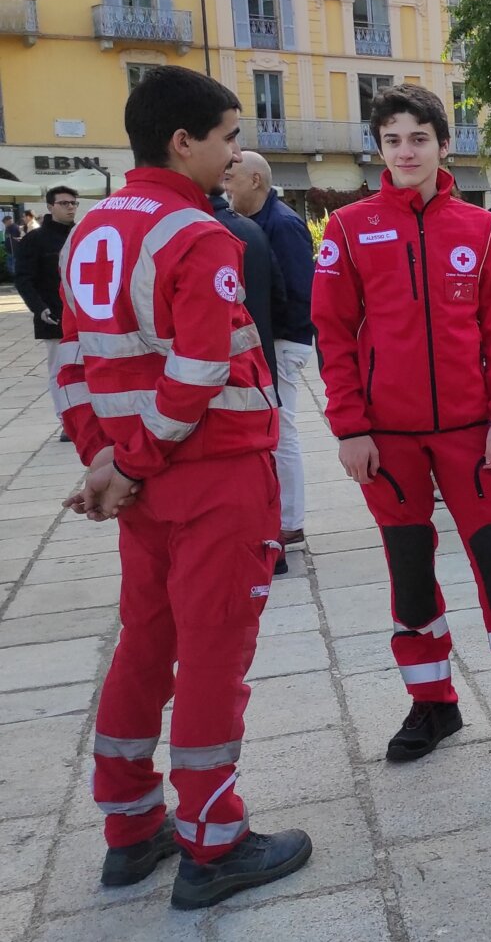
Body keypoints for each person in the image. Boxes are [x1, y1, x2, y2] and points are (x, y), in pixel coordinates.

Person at [54, 66, 310, 909]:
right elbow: (202, 369)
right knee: (211, 654)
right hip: (211, 478)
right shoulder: (197, 234)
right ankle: (214, 838)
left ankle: (130, 827)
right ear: (183, 142)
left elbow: (72, 367)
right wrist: (127, 466)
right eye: (230, 136)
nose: (238, 150)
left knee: (143, 645)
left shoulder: (86, 231)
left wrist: (110, 464)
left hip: (145, 483)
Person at [312, 84, 491, 764]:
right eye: (393, 139)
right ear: (380, 147)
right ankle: (432, 703)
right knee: (409, 572)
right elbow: (333, 334)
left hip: (471, 432)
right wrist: (350, 427)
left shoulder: (481, 228)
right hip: (387, 439)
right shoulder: (349, 228)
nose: (406, 151)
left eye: (419, 137)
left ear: (444, 143)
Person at [228, 152, 318, 550]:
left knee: (281, 430)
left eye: (232, 178)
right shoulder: (259, 221)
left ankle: (290, 521)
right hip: (270, 338)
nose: (226, 186)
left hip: (282, 341)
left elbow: (299, 290)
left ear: (255, 181)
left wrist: (271, 334)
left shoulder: (282, 224)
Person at [15, 184, 78, 439]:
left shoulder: (83, 233)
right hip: (54, 314)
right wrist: (39, 308)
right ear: (50, 207)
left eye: (73, 203)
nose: (71, 207)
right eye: (64, 203)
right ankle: (66, 421)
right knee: (60, 370)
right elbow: (23, 279)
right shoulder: (35, 240)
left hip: (86, 315)